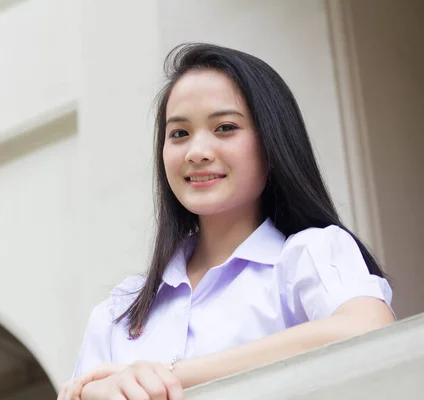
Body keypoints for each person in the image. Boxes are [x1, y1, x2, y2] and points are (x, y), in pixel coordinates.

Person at [58, 43, 395, 400]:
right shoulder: (119, 312)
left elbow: (368, 328)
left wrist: (172, 376)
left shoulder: (306, 256)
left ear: (272, 142)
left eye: (225, 127)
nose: (196, 152)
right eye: (179, 133)